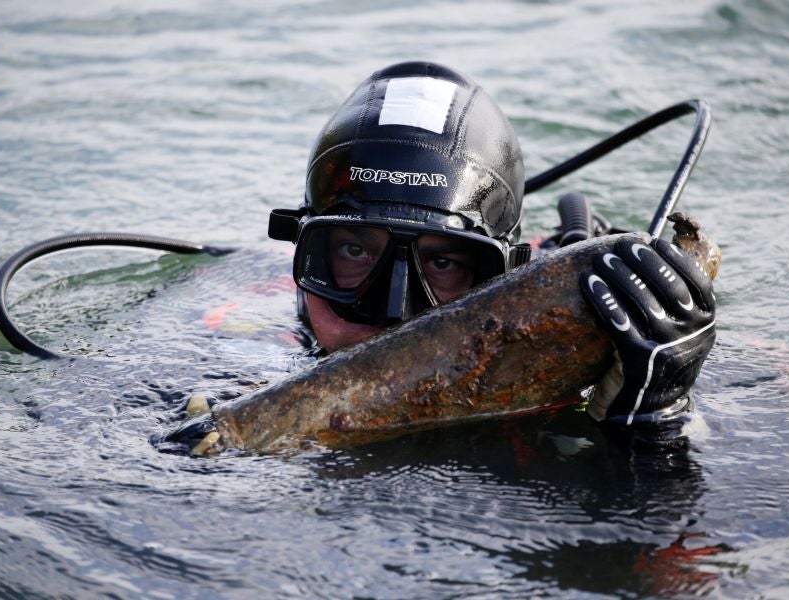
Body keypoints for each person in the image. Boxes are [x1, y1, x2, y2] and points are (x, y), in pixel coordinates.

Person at [267, 61, 716, 430]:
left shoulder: (623, 333)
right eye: (354, 252)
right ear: (305, 254)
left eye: (443, 262)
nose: (394, 313)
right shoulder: (243, 319)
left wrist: (655, 422)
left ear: (505, 276)